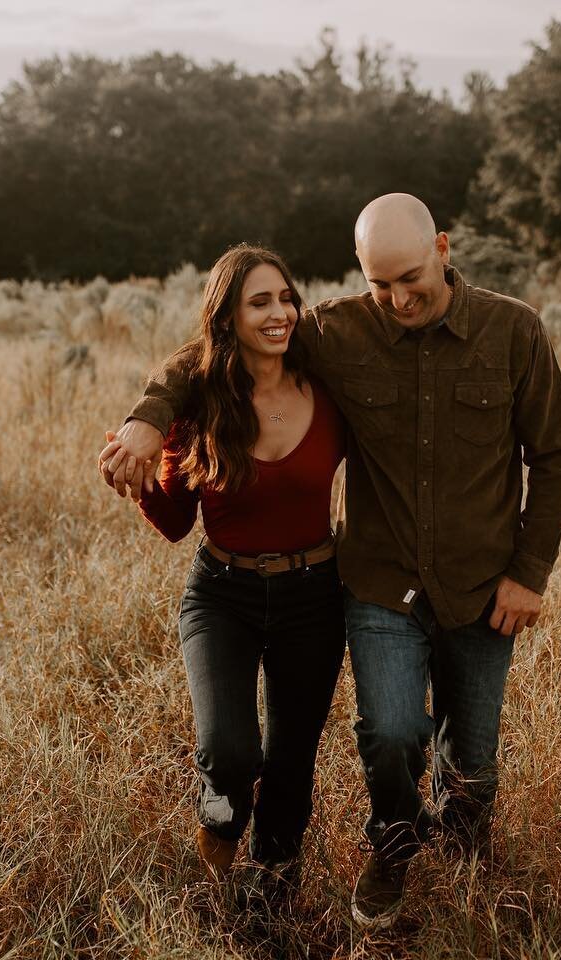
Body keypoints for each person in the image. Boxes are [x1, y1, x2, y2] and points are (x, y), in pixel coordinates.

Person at [100, 194, 561, 928]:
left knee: (471, 767)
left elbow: (554, 456)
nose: (399, 299)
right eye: (380, 284)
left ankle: (466, 873)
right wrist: (146, 418)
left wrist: (529, 572)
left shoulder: (514, 330)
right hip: (380, 584)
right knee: (390, 735)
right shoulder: (338, 332)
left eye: (411, 278)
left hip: (484, 585)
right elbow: (212, 351)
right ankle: (391, 848)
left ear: (443, 248)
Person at [108, 244, 346, 911]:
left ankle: (273, 884)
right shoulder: (200, 406)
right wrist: (139, 476)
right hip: (222, 595)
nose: (279, 314)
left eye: (285, 298)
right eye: (258, 302)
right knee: (229, 752)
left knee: (292, 760)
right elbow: (174, 522)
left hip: (314, 597)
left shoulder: (327, 391)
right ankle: (218, 823)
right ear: (227, 318)